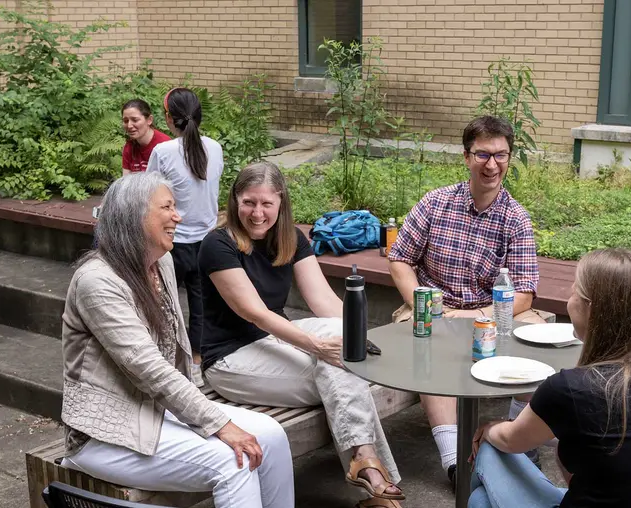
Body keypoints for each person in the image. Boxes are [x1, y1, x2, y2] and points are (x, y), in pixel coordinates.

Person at [60, 172, 293, 508]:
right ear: (133, 217)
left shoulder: (160, 261)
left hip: (156, 412)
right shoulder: (97, 282)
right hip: (106, 434)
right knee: (234, 461)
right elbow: (150, 369)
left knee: (271, 434)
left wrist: (211, 418)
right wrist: (220, 425)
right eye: (167, 208)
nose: (178, 216)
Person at [198, 161, 403, 508]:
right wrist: (317, 346)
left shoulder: (291, 237)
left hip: (276, 340)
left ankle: (365, 468)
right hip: (230, 358)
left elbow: (323, 300)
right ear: (235, 201)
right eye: (249, 202)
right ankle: (371, 468)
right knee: (341, 367)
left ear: (281, 202)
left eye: (267, 204)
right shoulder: (218, 244)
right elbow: (255, 313)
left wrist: (363, 338)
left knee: (344, 346)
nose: (257, 213)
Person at [468, 248, 631, 508]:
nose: (569, 298)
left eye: (575, 291)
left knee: (487, 452)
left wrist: (487, 427)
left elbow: (510, 439)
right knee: (480, 500)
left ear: (591, 309)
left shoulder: (572, 388)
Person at [387, 115, 545, 482]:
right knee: (426, 344)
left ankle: (517, 439)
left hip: (489, 311)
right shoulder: (435, 203)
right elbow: (400, 260)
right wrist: (423, 304)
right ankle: (455, 462)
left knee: (539, 341)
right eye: (483, 155)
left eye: (501, 155)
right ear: (466, 157)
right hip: (430, 305)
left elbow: (522, 292)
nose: (492, 165)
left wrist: (475, 315)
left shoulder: (516, 218)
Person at [147, 87, 223, 375]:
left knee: (163, 303)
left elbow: (149, 193)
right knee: (201, 307)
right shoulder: (214, 147)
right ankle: (196, 364)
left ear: (168, 118)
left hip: (171, 243)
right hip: (207, 241)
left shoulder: (162, 151)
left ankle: (163, 362)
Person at [121, 99, 171, 176]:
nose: (129, 125)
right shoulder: (129, 147)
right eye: (125, 121)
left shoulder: (165, 145)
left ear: (149, 120)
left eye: (135, 120)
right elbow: (125, 182)